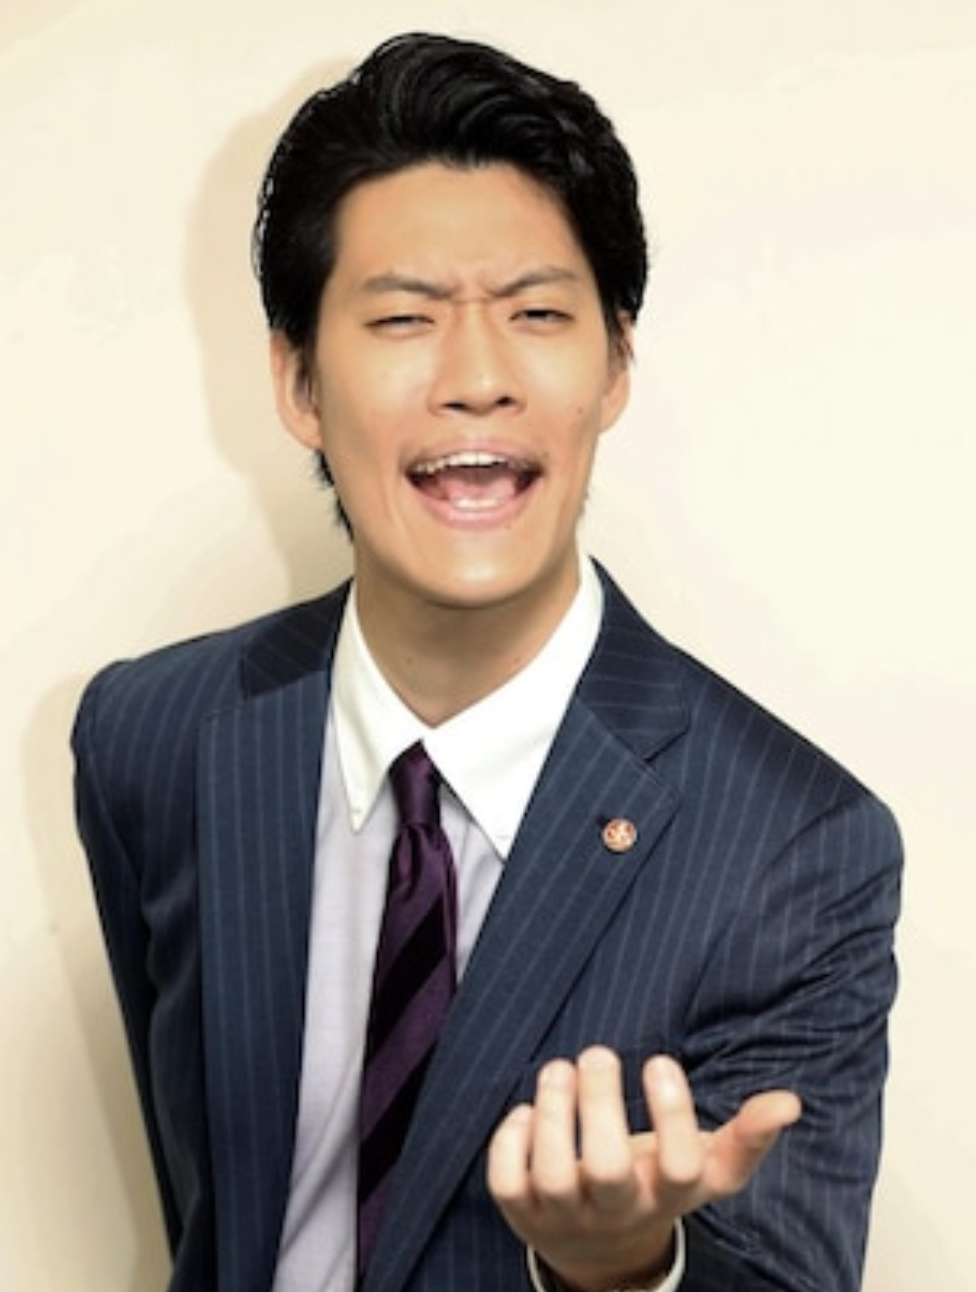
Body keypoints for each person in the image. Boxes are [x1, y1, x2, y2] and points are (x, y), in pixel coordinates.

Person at [72, 31, 902, 1292]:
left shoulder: (797, 844)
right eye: (403, 317)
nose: (475, 379)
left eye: (538, 315)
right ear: (298, 381)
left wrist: (626, 1266)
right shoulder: (151, 734)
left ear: (614, 365)